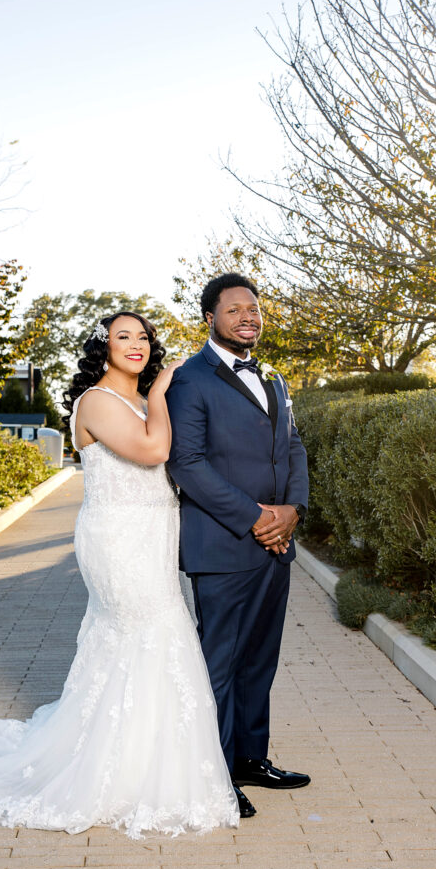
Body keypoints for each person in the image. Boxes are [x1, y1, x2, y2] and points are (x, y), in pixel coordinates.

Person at [0, 311, 239, 838]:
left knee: (146, 638)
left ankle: (149, 759)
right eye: (123, 337)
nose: (136, 345)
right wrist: (162, 392)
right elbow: (155, 450)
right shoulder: (97, 401)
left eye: (143, 337)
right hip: (117, 541)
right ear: (102, 348)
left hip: (154, 537)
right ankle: (122, 771)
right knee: (155, 632)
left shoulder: (136, 402)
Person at [166, 274, 310, 819]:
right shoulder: (189, 379)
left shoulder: (273, 378)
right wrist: (255, 519)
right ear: (210, 317)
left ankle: (252, 758)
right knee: (219, 665)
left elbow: (293, 447)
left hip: (278, 543)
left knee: (259, 661)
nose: (248, 316)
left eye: (254, 308)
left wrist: (292, 511)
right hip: (225, 545)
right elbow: (188, 464)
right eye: (235, 309)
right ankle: (216, 776)